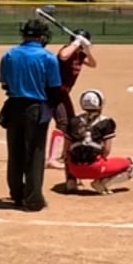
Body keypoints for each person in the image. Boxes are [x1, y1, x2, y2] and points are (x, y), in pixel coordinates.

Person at [0, 18, 61, 211]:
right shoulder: (47, 57)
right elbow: (54, 88)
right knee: (35, 153)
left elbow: (4, 84)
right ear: (41, 36)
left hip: (14, 106)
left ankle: (17, 194)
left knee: (15, 151)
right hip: (36, 107)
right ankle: (33, 198)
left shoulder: (9, 55)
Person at [63, 89, 133, 194]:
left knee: (69, 154)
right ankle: (102, 183)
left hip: (74, 169)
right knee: (132, 165)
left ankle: (71, 181)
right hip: (96, 168)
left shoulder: (73, 121)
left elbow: (65, 151)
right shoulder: (106, 122)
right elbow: (107, 150)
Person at [49, 30, 97, 189]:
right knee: (63, 124)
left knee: (71, 123)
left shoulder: (80, 55)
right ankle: (52, 159)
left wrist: (87, 50)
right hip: (54, 92)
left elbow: (93, 64)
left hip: (63, 93)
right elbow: (63, 56)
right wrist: (76, 43)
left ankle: (64, 154)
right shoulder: (67, 50)